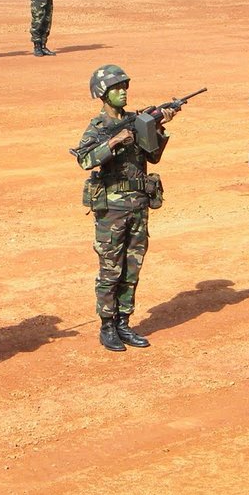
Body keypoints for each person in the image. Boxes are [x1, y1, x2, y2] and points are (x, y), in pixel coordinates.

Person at [74, 65, 177, 351]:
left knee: (132, 267)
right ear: (102, 93)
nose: (123, 91)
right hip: (111, 210)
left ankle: (124, 322)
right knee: (110, 268)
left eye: (124, 86)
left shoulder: (137, 121)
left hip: (138, 205)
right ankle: (107, 325)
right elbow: (84, 160)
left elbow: (153, 157)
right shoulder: (98, 127)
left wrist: (159, 128)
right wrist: (114, 141)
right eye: (116, 87)